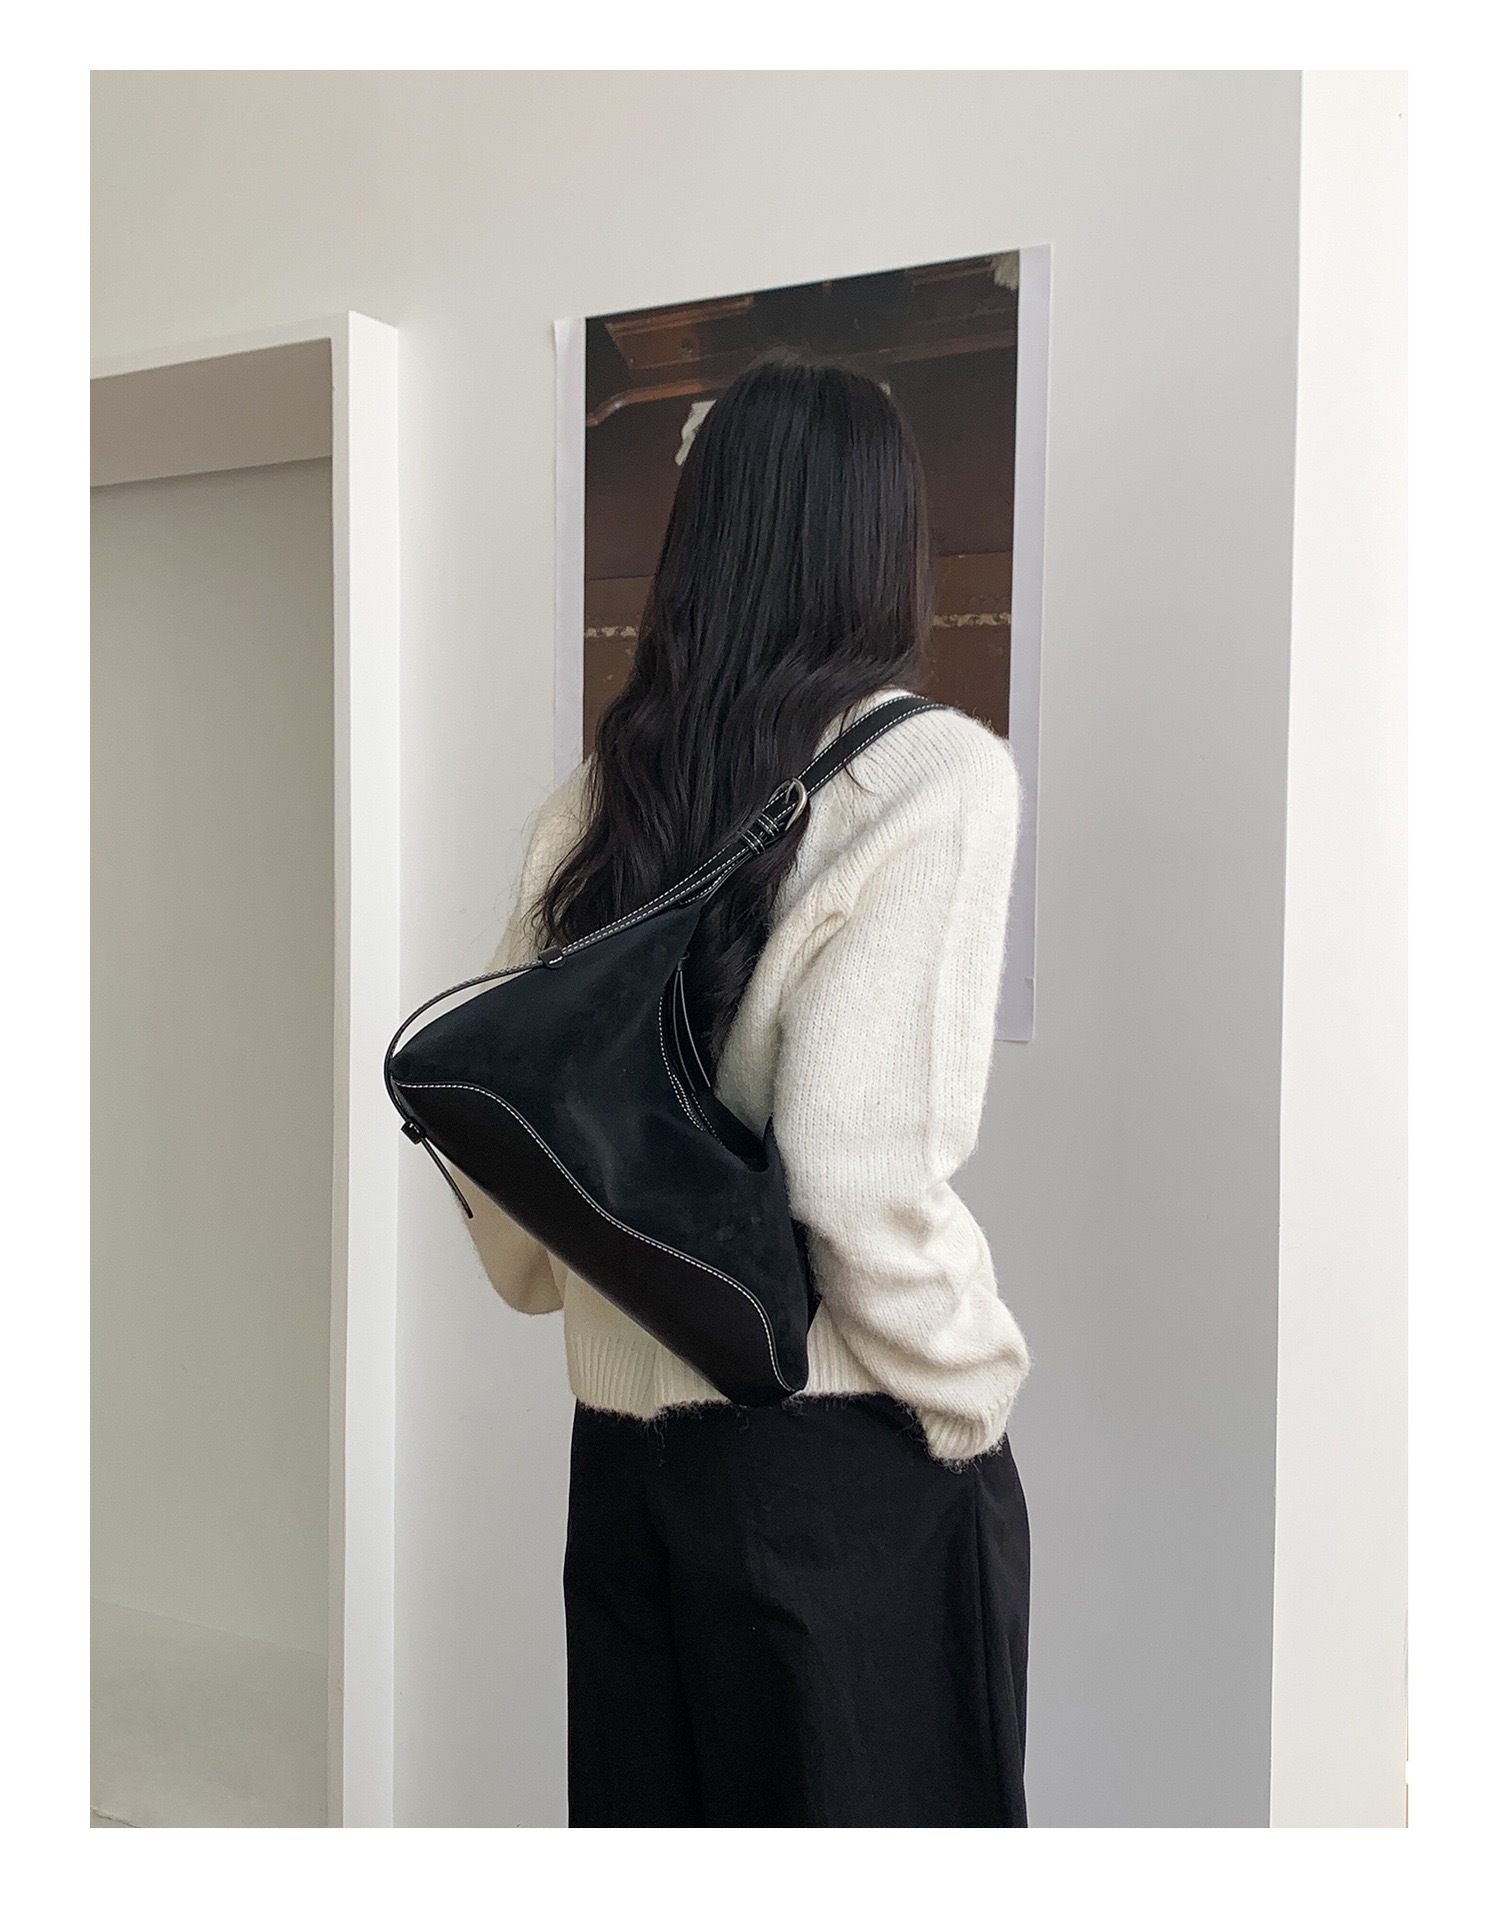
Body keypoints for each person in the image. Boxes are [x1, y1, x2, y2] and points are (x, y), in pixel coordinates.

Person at [450, 348, 1032, 1828]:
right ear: (883, 544)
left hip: (623, 1461)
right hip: (834, 1459)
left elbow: (507, 1093)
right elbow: (856, 1167)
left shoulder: (602, 794)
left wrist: (555, 1287)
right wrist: (970, 1381)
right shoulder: (931, 777)